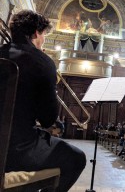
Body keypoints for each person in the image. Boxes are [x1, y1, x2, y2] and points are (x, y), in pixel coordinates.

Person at [0, 10, 86, 192]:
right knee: (76, 158)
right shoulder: (43, 62)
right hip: (16, 150)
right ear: (37, 33)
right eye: (44, 35)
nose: (44, 39)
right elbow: (48, 119)